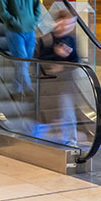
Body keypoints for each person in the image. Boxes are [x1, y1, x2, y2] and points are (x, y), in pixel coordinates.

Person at [0, 0, 42, 95]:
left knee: (25, 61)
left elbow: (37, 9)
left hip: (30, 31)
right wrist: (14, 22)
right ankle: (28, 89)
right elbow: (1, 11)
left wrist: (34, 22)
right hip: (14, 32)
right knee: (21, 59)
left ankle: (16, 89)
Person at [34, 10, 79, 145]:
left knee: (68, 113)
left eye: (71, 24)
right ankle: (36, 139)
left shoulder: (71, 39)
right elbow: (38, 60)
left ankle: (71, 142)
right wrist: (55, 58)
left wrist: (64, 63)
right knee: (46, 117)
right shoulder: (46, 39)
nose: (69, 27)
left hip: (65, 85)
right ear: (58, 22)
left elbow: (77, 61)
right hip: (48, 86)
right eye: (67, 23)